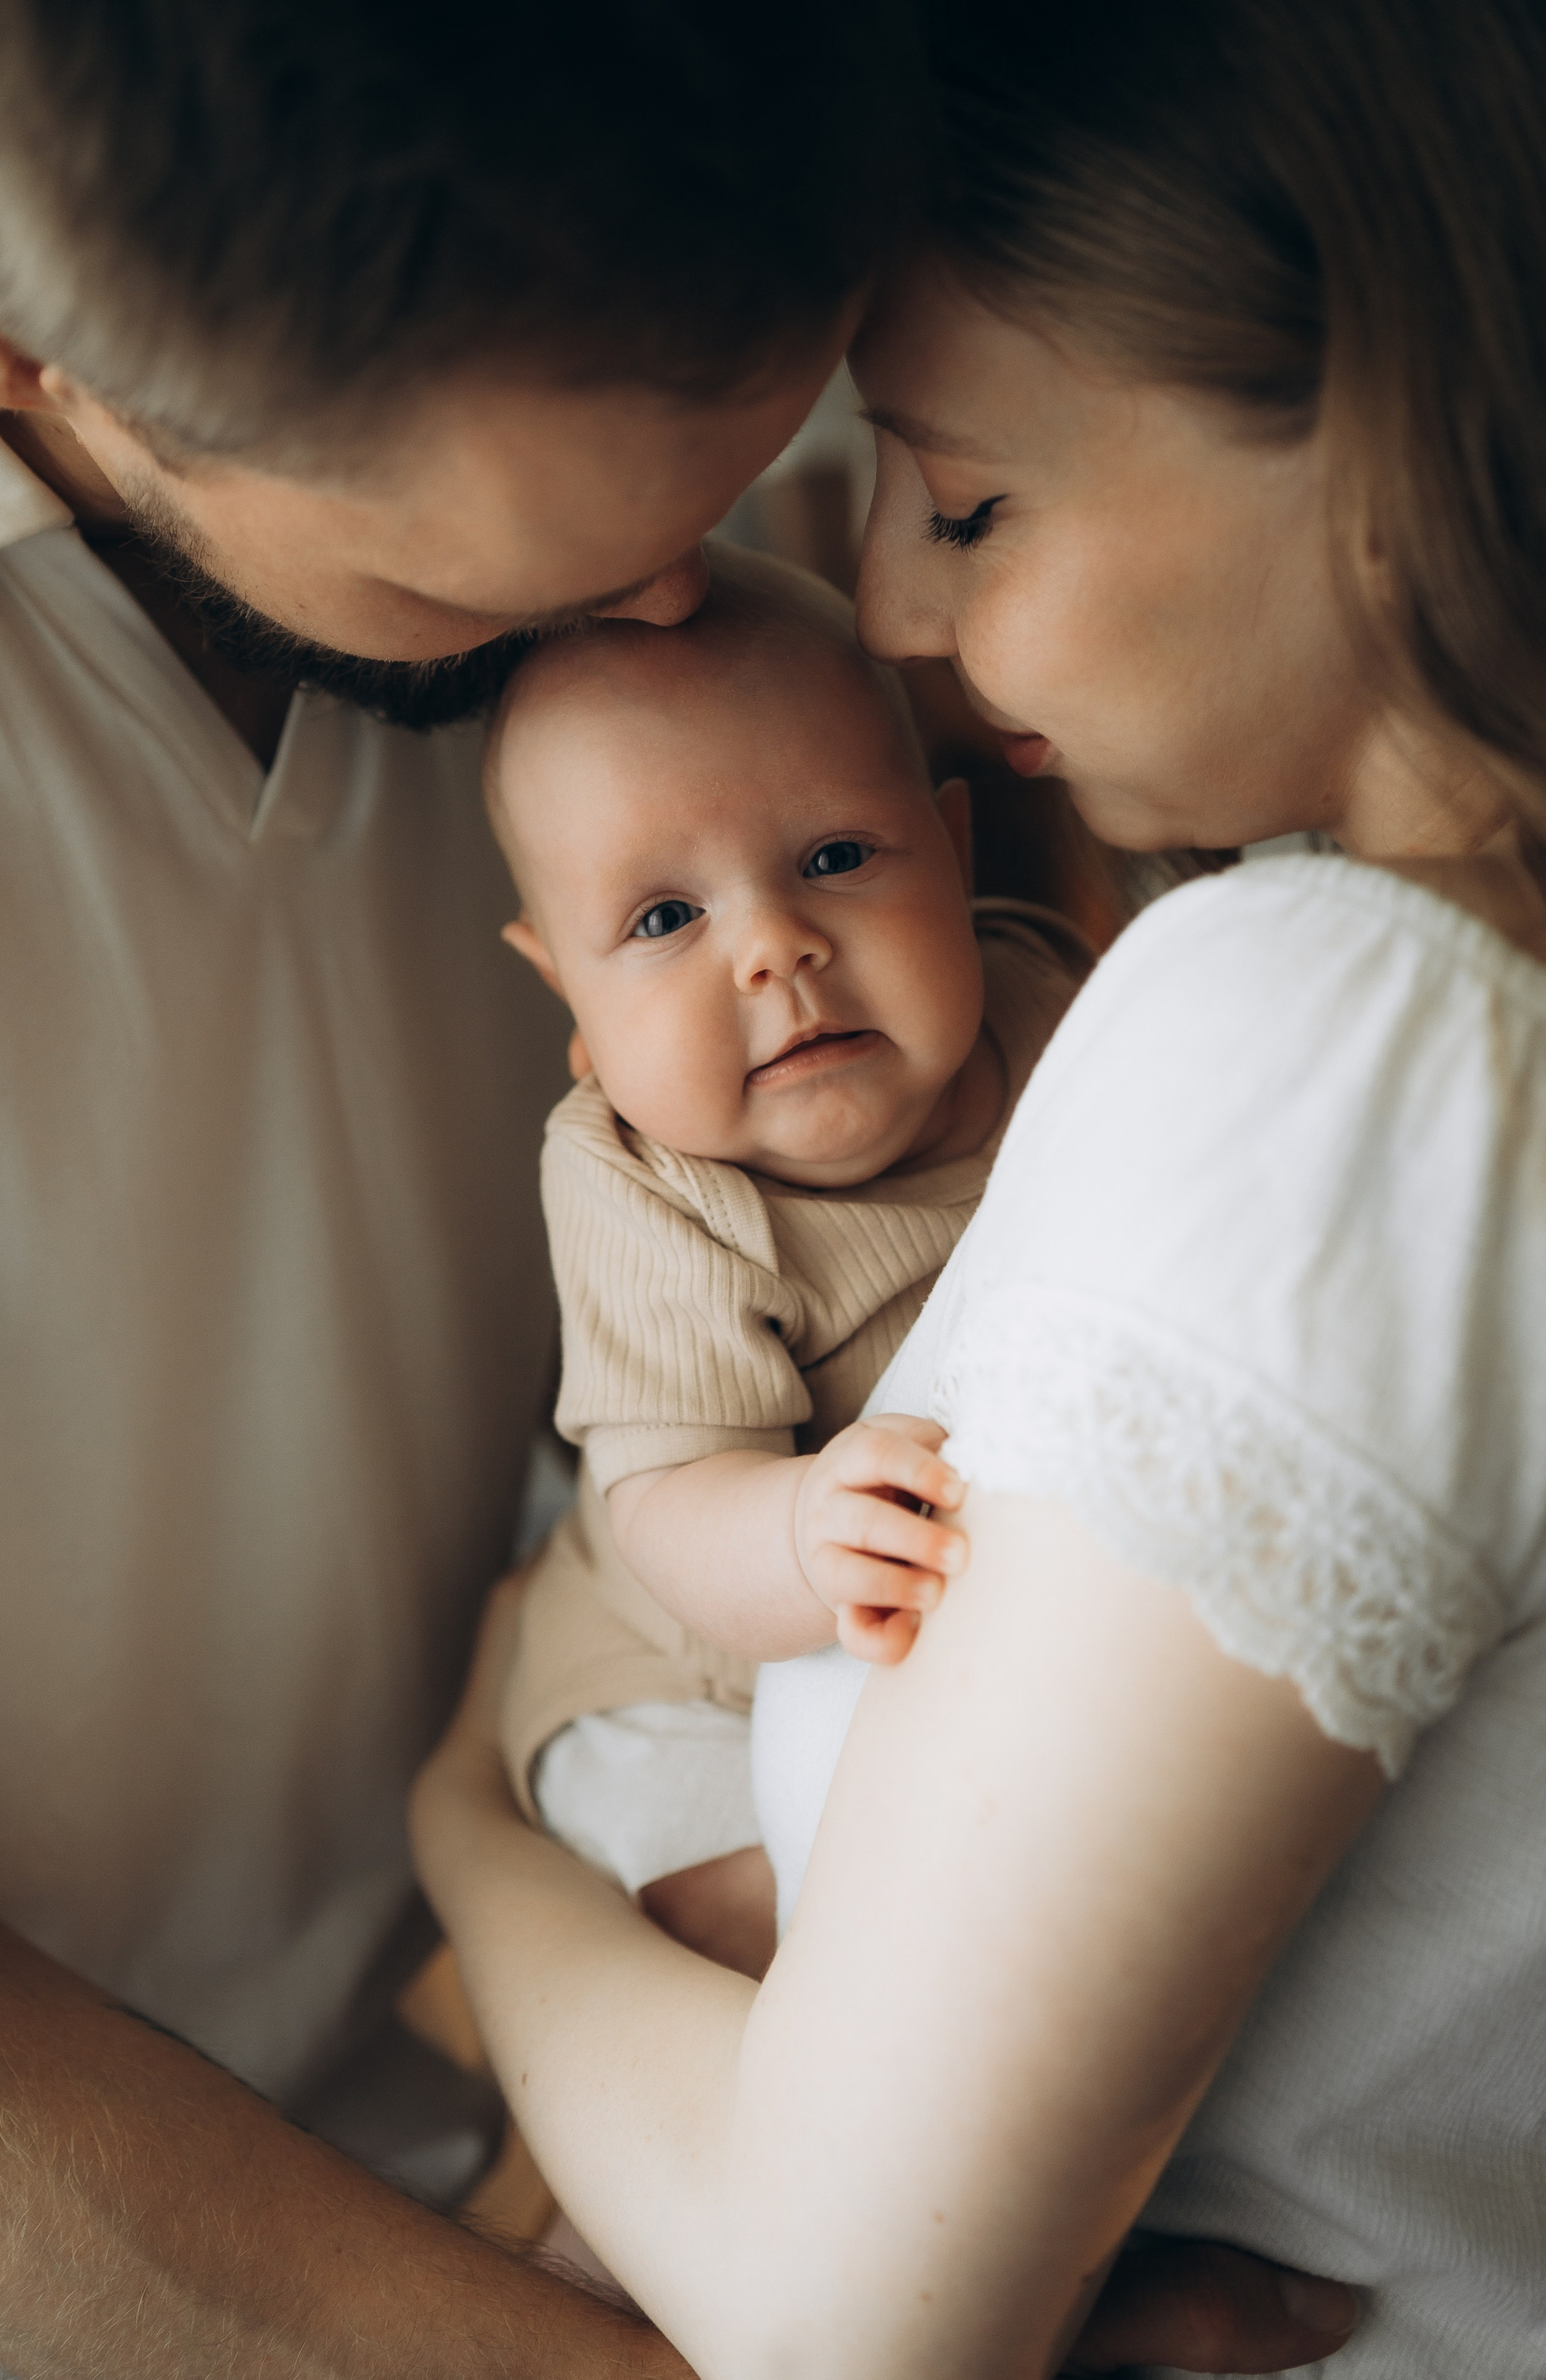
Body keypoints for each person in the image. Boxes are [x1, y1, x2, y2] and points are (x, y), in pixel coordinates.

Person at [0, 0, 1334, 2371]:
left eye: (745, 474)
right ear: (28, 351)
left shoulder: (704, 291)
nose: (685, 613)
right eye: (498, 593)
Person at [411, 0, 1546, 2372]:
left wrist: (473, 1855)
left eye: (963, 502)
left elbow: (842, 2317)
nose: (902, 616)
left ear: (1371, 435)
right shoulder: (1404, 1019)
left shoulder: (1347, 1029)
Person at [484, 545, 1083, 1974]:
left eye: (834, 858)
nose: (774, 948)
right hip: (680, 1673)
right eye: (662, 919)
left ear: (951, 851)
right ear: (567, 993)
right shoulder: (644, 1181)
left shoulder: (1058, 1008)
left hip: (935, 1623)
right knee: (770, 1913)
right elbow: (669, 1499)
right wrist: (799, 1524)